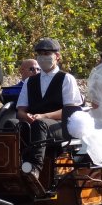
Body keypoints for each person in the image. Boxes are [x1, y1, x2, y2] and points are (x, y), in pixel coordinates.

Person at [16, 38, 83, 194]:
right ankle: (13, 165)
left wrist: (44, 116)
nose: (42, 57)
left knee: (41, 125)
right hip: (34, 122)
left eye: (46, 53)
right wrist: (27, 116)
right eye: (39, 54)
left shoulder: (66, 78)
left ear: (57, 56)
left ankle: (35, 169)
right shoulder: (30, 82)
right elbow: (20, 110)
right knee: (12, 125)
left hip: (61, 126)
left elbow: (70, 110)